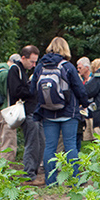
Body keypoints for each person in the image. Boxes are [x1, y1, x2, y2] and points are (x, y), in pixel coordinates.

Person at [31, 37, 89, 186]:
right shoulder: (68, 67)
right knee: (70, 145)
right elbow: (79, 89)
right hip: (69, 112)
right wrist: (84, 104)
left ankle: (51, 182)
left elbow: (33, 90)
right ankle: (74, 180)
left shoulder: (39, 67)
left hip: (48, 112)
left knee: (50, 146)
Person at [8, 45, 46, 185]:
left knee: (40, 142)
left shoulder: (22, 70)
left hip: (33, 111)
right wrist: (32, 88)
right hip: (27, 111)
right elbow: (16, 91)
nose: (34, 65)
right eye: (32, 61)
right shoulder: (15, 70)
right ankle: (29, 175)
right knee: (32, 143)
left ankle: (33, 172)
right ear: (23, 58)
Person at [0, 53, 20, 163]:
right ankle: (6, 170)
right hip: (7, 111)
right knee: (8, 142)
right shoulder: (6, 74)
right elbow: (9, 93)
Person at [76, 56, 95, 143]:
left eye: (80, 68)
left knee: (98, 138)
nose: (78, 70)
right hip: (84, 115)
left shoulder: (94, 79)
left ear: (87, 68)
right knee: (88, 140)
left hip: (94, 113)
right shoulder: (80, 80)